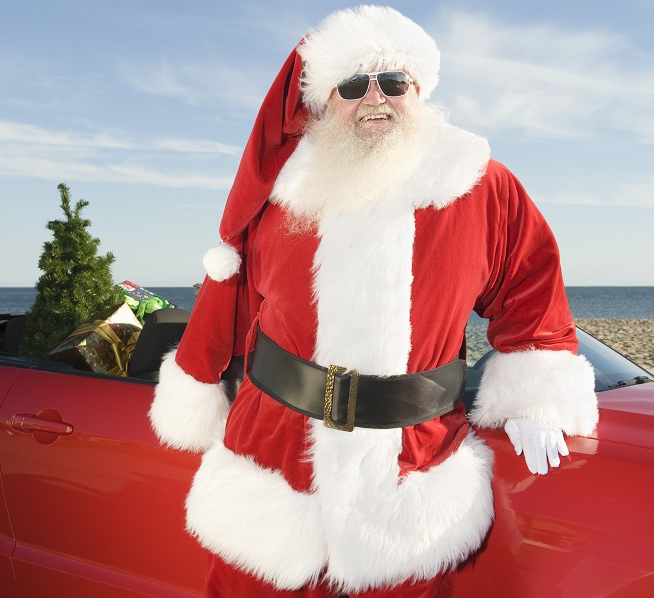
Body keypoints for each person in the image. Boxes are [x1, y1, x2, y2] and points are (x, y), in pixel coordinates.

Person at [150, 6, 598, 597]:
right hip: (273, 463)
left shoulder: (480, 186)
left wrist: (535, 397)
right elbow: (229, 295)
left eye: (394, 82)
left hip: (410, 471)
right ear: (324, 100)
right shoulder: (285, 192)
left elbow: (530, 284)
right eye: (354, 85)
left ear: (421, 91)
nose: (375, 98)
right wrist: (197, 381)